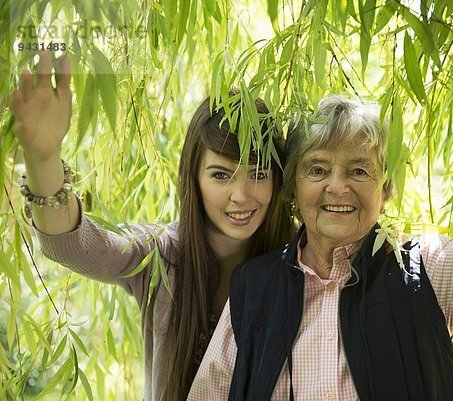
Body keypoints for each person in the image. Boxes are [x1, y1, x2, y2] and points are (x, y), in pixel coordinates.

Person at [186, 12, 453, 401]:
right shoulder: (253, 288)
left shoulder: (422, 269)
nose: (338, 186)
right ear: (292, 191)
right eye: (317, 169)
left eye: (359, 170)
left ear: (385, 190)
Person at [10, 51, 295, 401]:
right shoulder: (161, 256)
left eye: (258, 174)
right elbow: (73, 244)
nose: (241, 195)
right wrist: (44, 158)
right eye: (221, 175)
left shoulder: (301, 262)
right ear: (194, 179)